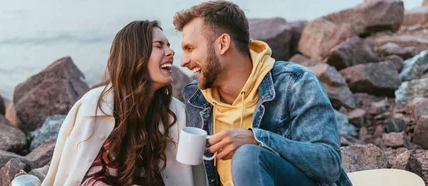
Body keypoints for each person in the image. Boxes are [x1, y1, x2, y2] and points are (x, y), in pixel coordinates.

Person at [173, 1, 353, 186]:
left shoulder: (294, 82)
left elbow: (329, 164)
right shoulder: (196, 98)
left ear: (223, 44)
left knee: (248, 155)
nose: (183, 61)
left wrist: (257, 140)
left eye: (190, 49)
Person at [40, 20, 195, 186]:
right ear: (135, 54)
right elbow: (81, 176)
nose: (171, 52)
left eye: (168, 45)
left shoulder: (176, 111)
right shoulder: (95, 105)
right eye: (159, 46)